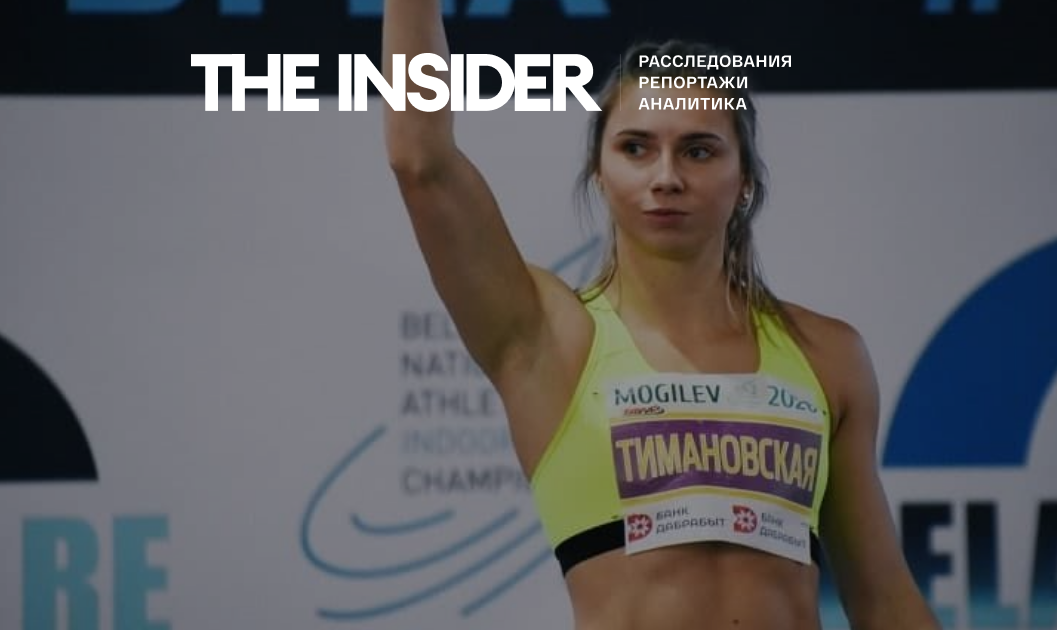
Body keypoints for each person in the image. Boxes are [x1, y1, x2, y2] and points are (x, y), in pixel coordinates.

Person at [381, 2, 943, 628]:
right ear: (599, 173)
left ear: (745, 179)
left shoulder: (828, 356)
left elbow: (884, 600)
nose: (666, 177)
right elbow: (421, 163)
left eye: (699, 151)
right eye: (636, 148)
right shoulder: (547, 337)